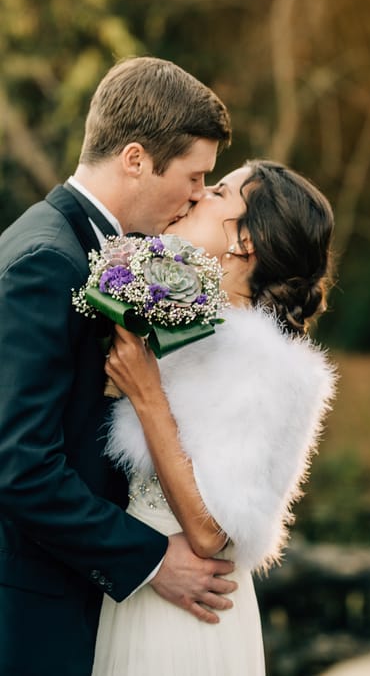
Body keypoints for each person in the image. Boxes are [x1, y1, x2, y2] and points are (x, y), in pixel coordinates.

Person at [0, 57, 237, 676]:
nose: (196, 195)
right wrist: (154, 559)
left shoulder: (86, 247)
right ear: (135, 159)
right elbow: (20, 465)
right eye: (194, 176)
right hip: (33, 616)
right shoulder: (47, 261)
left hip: (81, 600)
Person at [92, 160, 337, 676]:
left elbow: (210, 534)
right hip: (140, 588)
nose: (199, 195)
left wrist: (147, 394)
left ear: (247, 241)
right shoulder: (188, 326)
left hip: (187, 615)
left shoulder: (269, 366)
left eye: (220, 191)